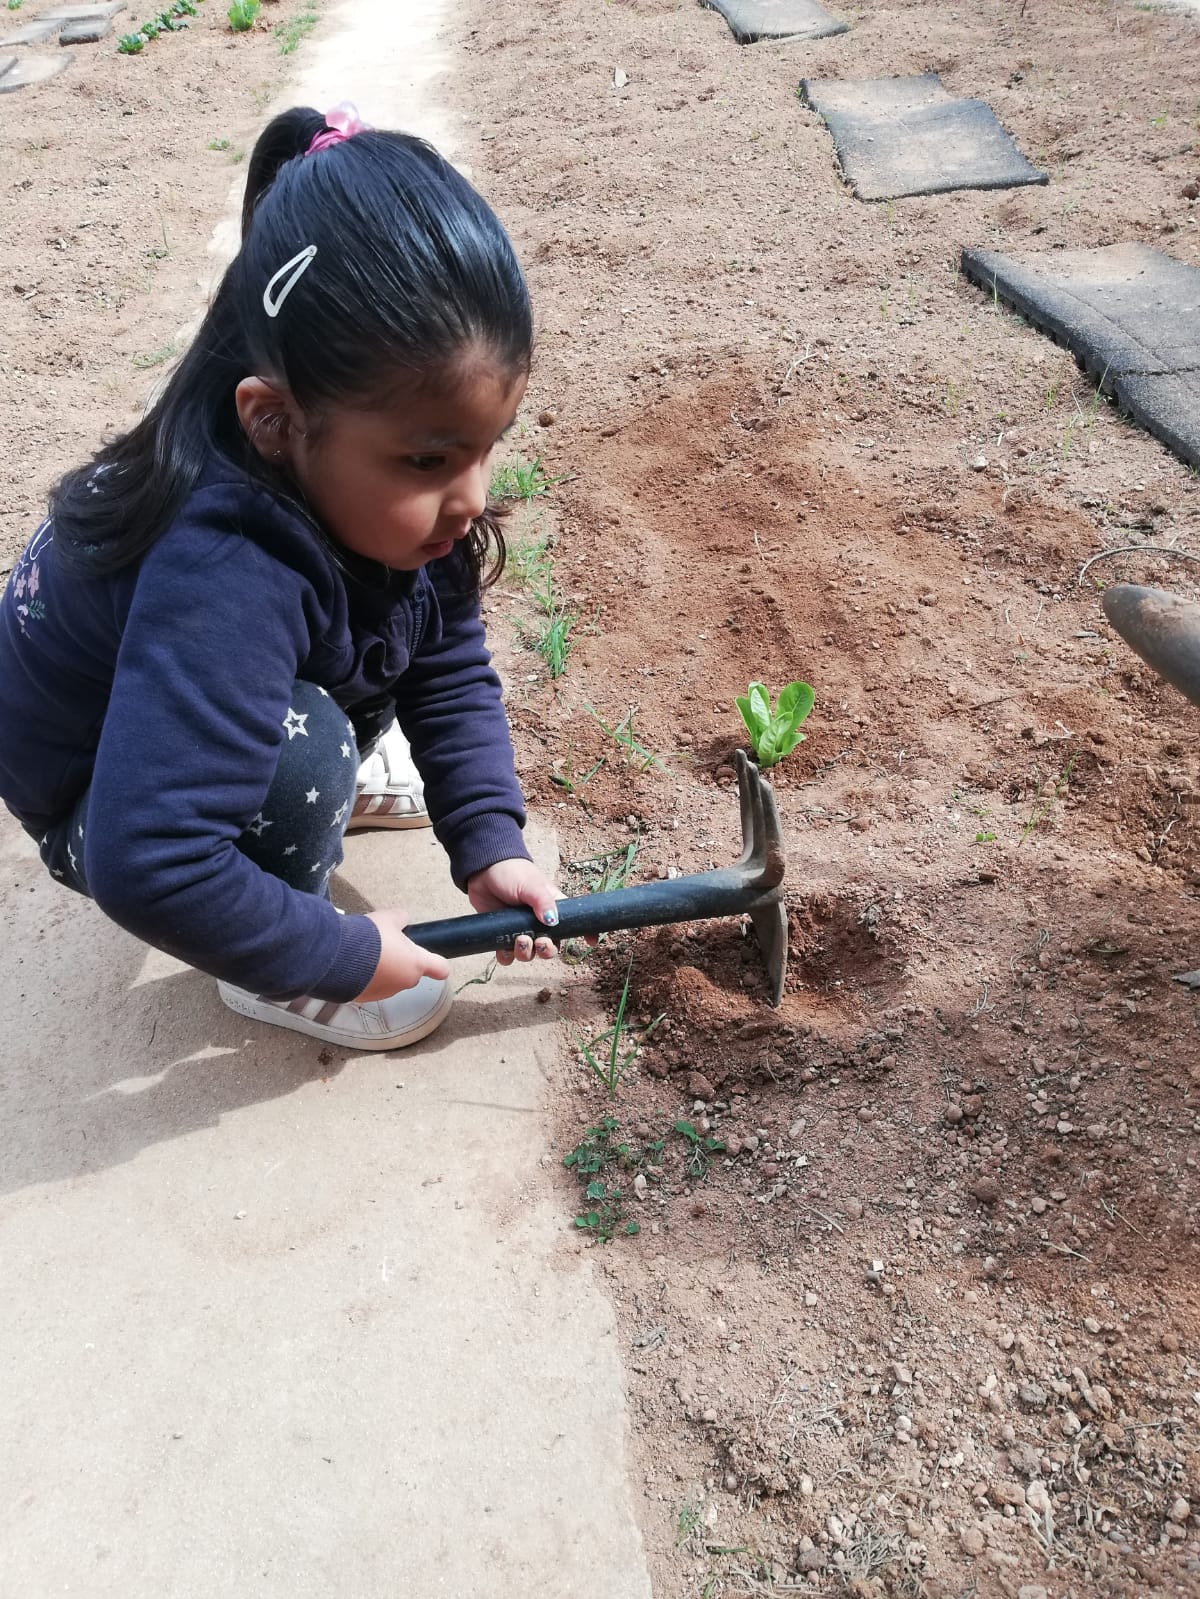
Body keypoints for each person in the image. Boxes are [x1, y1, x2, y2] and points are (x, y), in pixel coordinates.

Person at [0, 104, 563, 1051]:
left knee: (374, 641)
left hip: (177, 701)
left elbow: (446, 661)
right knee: (307, 756)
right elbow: (153, 861)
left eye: (487, 446)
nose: (471, 497)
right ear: (272, 422)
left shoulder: (375, 491)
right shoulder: (224, 567)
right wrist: (332, 953)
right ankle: (265, 962)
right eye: (430, 460)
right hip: (96, 790)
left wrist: (488, 840)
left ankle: (285, 788)